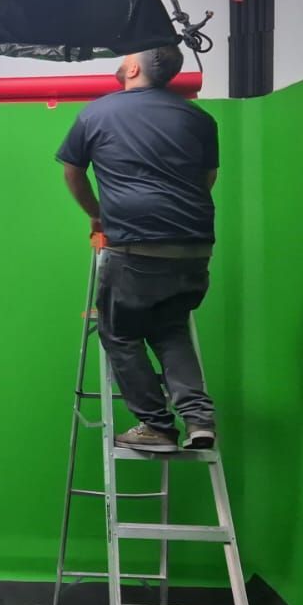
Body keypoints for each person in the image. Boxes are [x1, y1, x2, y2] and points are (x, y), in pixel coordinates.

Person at [56, 44, 219, 453]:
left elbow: (72, 173)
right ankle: (198, 419)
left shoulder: (97, 112)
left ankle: (157, 425)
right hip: (195, 247)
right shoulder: (200, 119)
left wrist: (97, 215)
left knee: (119, 331)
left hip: (136, 248)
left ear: (132, 67)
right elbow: (207, 179)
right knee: (170, 328)